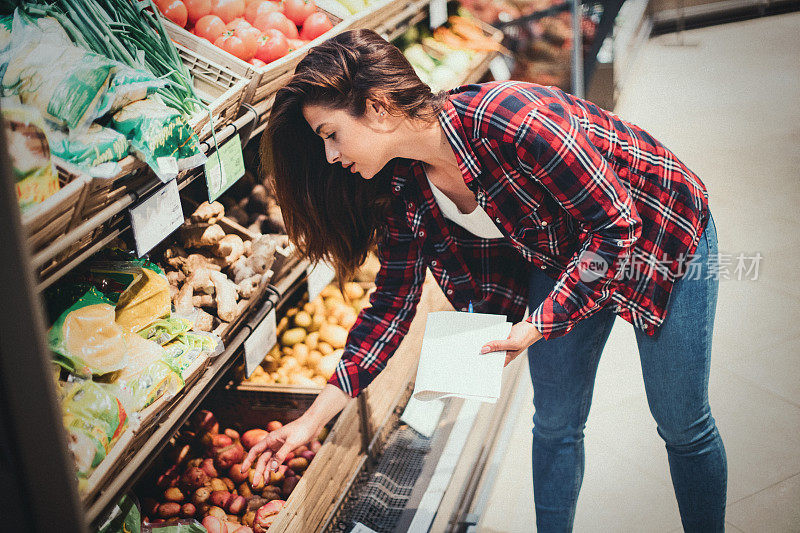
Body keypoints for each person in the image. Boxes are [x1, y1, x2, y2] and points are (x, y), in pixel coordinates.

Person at [240, 29, 727, 532]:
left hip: (659, 234)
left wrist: (538, 324)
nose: (330, 156)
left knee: (682, 424)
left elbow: (616, 227)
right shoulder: (405, 185)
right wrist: (310, 420)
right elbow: (391, 305)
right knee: (556, 423)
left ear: (379, 107)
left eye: (330, 134)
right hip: (562, 255)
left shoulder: (513, 120)